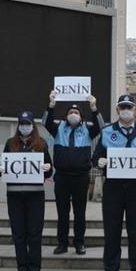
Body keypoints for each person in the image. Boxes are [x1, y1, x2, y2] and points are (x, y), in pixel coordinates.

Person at [92, 94, 136, 271]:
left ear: (134, 110)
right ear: (117, 111)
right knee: (111, 230)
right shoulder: (107, 132)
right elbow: (95, 156)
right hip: (113, 187)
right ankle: (111, 269)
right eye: (123, 108)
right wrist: (99, 161)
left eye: (129, 107)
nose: (126, 111)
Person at [0, 111, 54, 271]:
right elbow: (5, 170)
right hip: (14, 196)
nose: (25, 126)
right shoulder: (10, 143)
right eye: (22, 123)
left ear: (32, 126)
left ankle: (35, 268)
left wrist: (47, 169)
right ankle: (22, 267)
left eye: (28, 123)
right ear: (19, 125)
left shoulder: (41, 144)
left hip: (35, 195)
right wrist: (0, 170)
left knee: (34, 233)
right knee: (18, 234)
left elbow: (49, 171)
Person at [43, 91, 102, 255]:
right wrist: (51, 105)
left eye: (76, 112)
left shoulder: (87, 130)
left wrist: (94, 108)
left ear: (81, 116)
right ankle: (62, 243)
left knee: (79, 212)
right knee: (62, 213)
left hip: (81, 177)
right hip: (61, 177)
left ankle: (79, 243)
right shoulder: (58, 128)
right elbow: (45, 122)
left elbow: (100, 126)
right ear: (66, 115)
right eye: (70, 112)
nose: (73, 115)